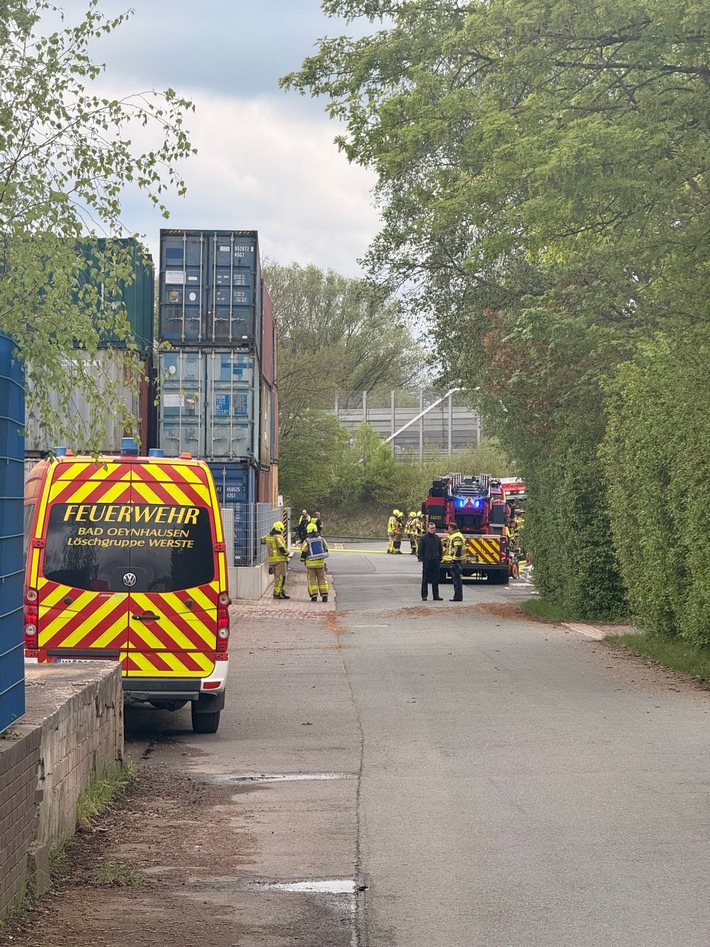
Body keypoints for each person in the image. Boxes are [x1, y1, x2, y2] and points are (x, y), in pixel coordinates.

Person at [300, 520, 329, 602]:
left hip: (310, 564)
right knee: (322, 578)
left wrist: (302, 559)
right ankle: (324, 595)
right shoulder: (321, 539)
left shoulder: (307, 541)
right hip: (320, 563)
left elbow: (304, 552)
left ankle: (314, 596)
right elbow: (326, 548)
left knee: (312, 579)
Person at [261, 520, 290, 599]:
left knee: (277, 577)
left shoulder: (268, 536)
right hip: (280, 560)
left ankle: (281, 591)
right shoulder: (279, 537)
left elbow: (262, 541)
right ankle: (277, 593)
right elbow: (282, 548)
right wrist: (287, 553)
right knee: (280, 577)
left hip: (272, 561)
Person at [418, 521, 444, 601]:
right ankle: (424, 595)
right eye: (431, 528)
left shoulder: (437, 538)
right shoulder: (424, 538)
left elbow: (440, 549)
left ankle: (436, 595)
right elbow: (420, 550)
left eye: (434, 528)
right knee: (425, 579)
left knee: (435, 579)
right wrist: (422, 558)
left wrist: (439, 558)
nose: (433, 529)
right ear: (427, 528)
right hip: (427, 561)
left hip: (435, 561)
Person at [444, 521, 465, 601]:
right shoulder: (454, 536)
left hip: (456, 562)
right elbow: (453, 547)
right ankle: (457, 597)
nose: (448, 529)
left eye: (448, 528)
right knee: (456, 580)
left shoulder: (456, 536)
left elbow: (458, 548)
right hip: (456, 561)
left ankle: (458, 597)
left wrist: (454, 559)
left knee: (457, 581)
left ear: (452, 528)